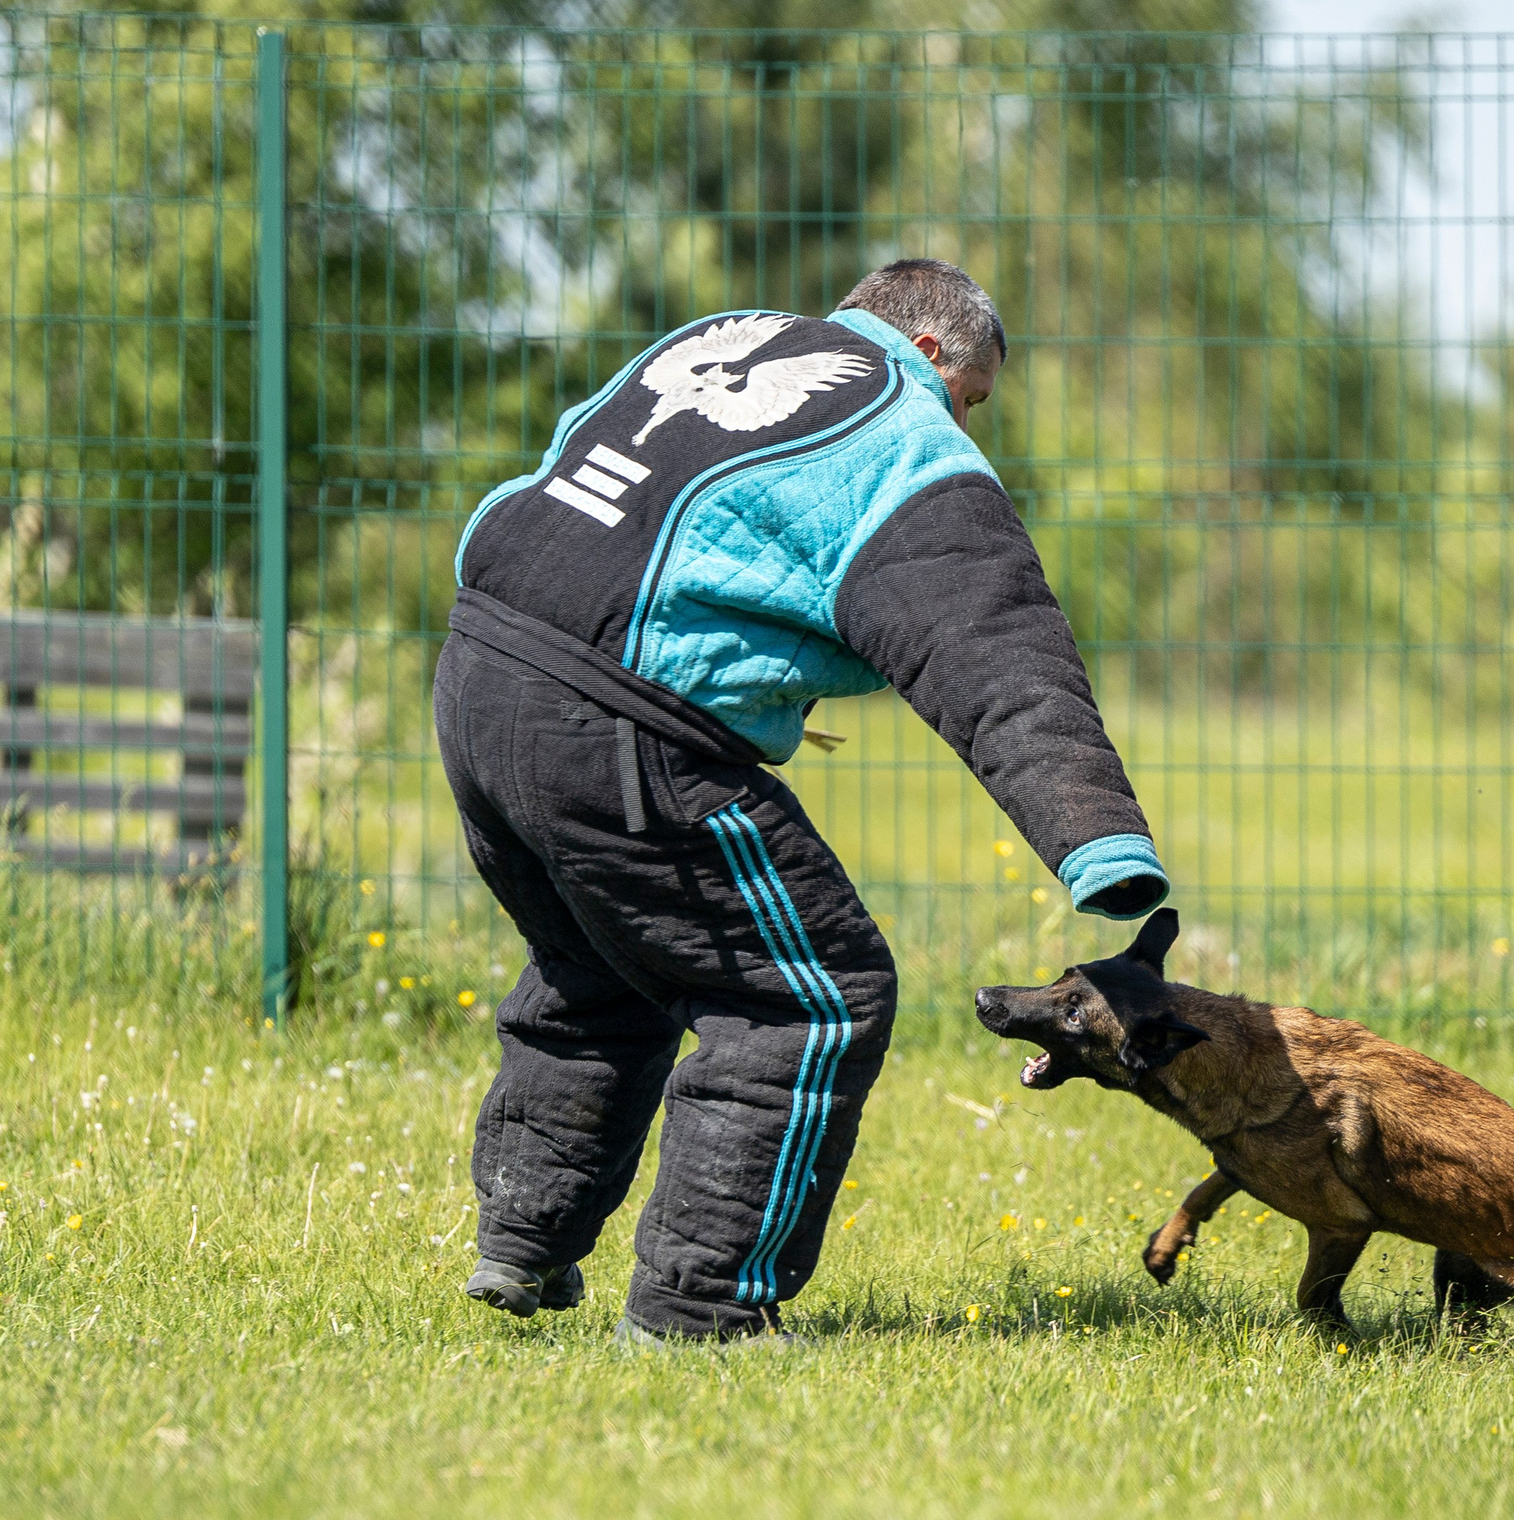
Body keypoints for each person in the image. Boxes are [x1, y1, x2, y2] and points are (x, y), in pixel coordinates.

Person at [437, 258, 1167, 1344]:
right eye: (974, 404)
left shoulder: (719, 333)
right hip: (617, 723)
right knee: (813, 995)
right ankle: (702, 1305)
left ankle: (523, 1242)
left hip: (481, 670)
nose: (968, 431)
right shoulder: (895, 419)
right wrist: (1099, 837)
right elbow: (991, 639)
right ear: (930, 357)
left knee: (603, 969)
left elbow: (550, 478)